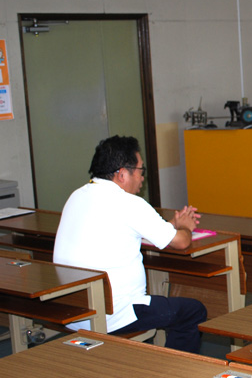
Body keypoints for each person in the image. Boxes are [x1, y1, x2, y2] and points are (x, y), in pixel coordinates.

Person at [54, 135, 207, 353]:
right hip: (116, 315)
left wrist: (172, 224)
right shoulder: (129, 203)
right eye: (140, 170)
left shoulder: (77, 196)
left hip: (74, 311)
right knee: (194, 311)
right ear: (122, 173)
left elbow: (125, 232)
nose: (142, 178)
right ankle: (176, 376)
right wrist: (186, 227)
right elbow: (182, 242)